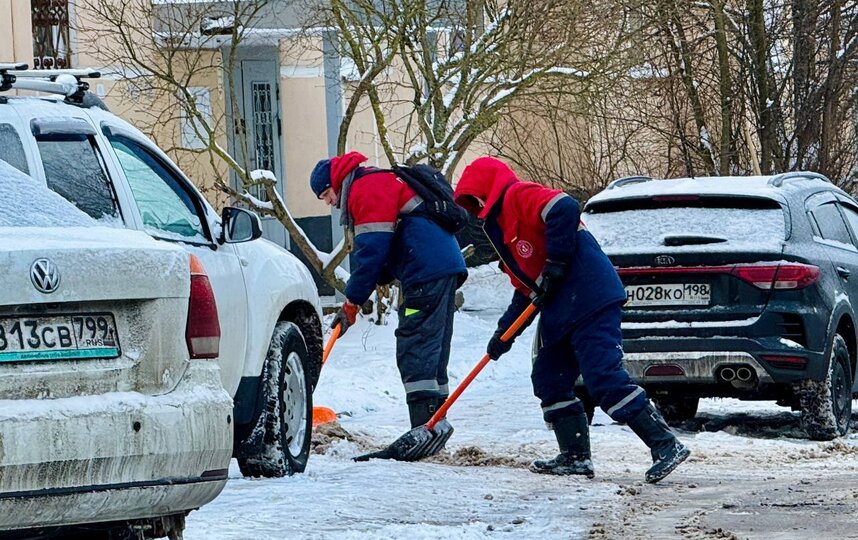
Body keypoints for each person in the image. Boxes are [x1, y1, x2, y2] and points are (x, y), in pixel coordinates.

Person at [453, 157, 689, 484]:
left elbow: (563, 207)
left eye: (476, 198)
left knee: (603, 377)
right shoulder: (500, 228)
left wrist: (557, 262)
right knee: (549, 378)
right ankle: (575, 457)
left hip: (590, 297)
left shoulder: (518, 195)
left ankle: (665, 444)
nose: (476, 206)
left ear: (487, 190)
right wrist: (503, 335)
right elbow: (526, 291)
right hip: (560, 310)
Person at [310, 151, 467, 429]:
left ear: (334, 183)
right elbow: (385, 249)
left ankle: (423, 427)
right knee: (433, 346)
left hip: (425, 270)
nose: (329, 203)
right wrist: (378, 278)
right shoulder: (377, 180)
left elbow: (372, 252)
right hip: (441, 267)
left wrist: (352, 301)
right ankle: (436, 422)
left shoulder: (365, 189)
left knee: (415, 343)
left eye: (326, 195)